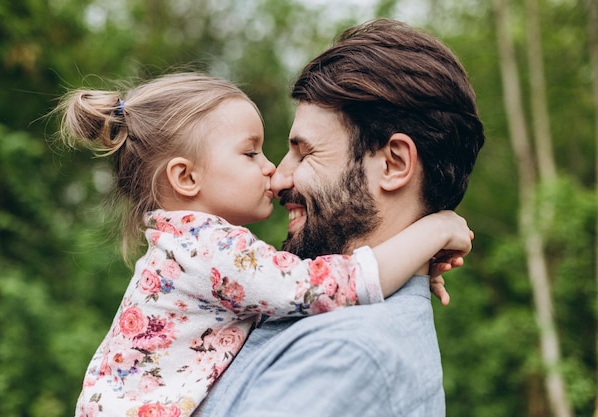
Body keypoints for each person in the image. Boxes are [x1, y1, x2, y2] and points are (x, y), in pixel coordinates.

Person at [54, 73, 472, 417]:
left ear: (395, 163)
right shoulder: (211, 248)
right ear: (185, 178)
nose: (274, 170)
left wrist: (414, 264)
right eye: (251, 153)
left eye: (304, 154)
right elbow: (326, 285)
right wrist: (433, 231)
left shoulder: (183, 244)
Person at [193, 18, 485, 417]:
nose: (278, 179)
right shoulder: (302, 309)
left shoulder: (347, 355)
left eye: (306, 152)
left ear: (394, 164)